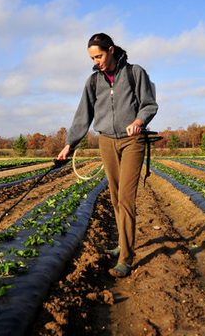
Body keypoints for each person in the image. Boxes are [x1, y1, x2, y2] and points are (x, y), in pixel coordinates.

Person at [57, 33, 158, 278]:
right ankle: (123, 243)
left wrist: (138, 120)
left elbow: (149, 104)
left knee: (125, 197)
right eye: (92, 58)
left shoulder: (135, 72)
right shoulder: (93, 82)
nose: (96, 61)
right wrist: (70, 144)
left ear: (111, 50)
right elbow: (83, 115)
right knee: (114, 196)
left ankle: (126, 258)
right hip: (106, 141)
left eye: (99, 56)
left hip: (132, 141)